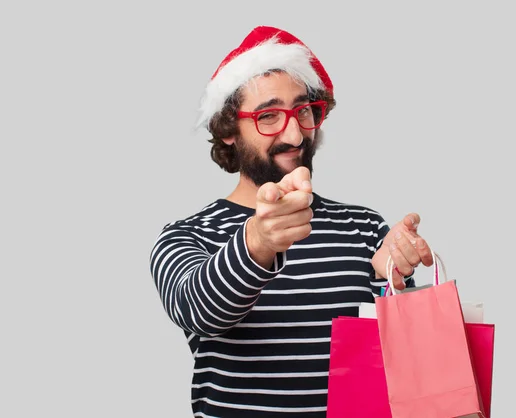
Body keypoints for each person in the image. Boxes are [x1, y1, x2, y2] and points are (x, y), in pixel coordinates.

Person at [149, 26, 434, 417]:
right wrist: (258, 244)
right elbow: (200, 310)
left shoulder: (365, 229)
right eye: (268, 115)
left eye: (303, 110)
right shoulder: (189, 235)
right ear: (229, 129)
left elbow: (409, 365)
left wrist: (388, 277)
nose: (295, 133)